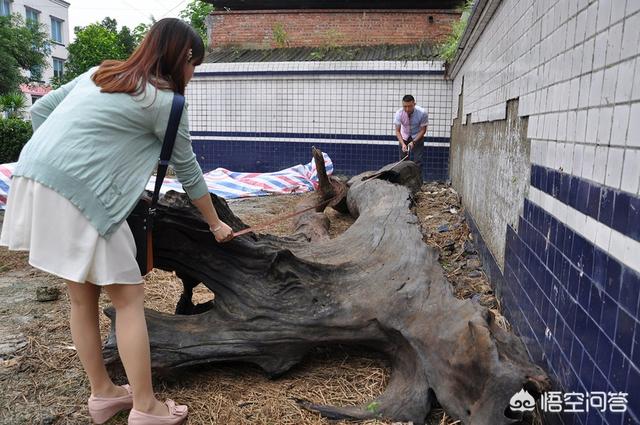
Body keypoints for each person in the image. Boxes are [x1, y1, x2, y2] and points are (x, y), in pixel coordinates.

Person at [0, 18, 232, 425]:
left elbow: (40, 110)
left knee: (81, 295)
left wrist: (63, 161)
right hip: (82, 200)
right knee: (127, 301)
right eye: (196, 65)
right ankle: (146, 408)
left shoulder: (99, 73)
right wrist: (215, 224)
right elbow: (189, 172)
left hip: (32, 179)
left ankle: (104, 394)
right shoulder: (166, 103)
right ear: (185, 58)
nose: (193, 75)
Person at [393, 94, 429, 174]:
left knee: (418, 160)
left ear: (414, 104)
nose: (407, 109)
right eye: (405, 106)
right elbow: (397, 131)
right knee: (403, 161)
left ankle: (417, 182)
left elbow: (423, 130)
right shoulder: (399, 113)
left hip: (417, 136)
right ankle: (404, 182)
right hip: (404, 136)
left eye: (410, 106)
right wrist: (402, 144)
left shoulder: (422, 113)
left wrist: (414, 141)